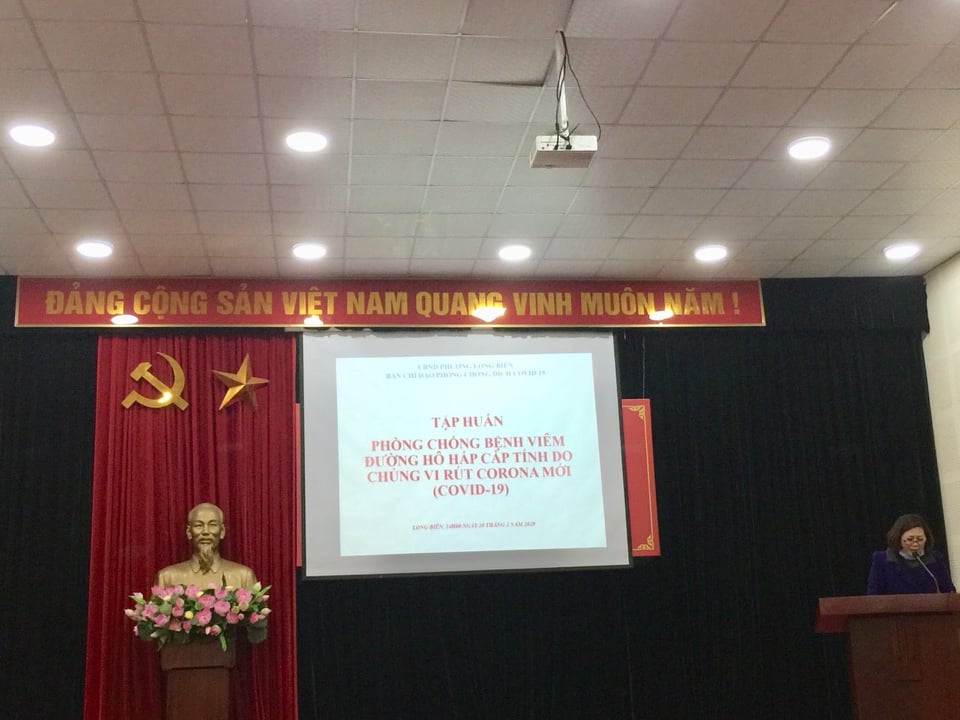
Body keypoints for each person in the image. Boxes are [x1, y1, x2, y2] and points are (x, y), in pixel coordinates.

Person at [155, 502, 258, 589]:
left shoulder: (243, 576)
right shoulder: (167, 577)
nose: (205, 532)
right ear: (189, 532)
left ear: (222, 531)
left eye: (212, 525)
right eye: (198, 525)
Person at [867, 513, 955, 594]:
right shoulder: (882, 560)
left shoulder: (935, 559)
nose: (915, 544)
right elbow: (874, 595)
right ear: (899, 538)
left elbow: (949, 592)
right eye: (910, 539)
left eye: (920, 539)